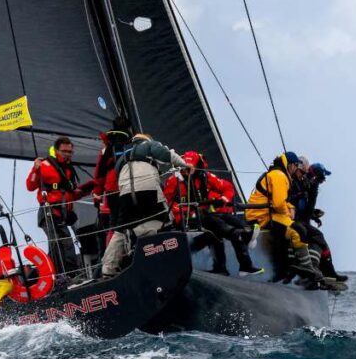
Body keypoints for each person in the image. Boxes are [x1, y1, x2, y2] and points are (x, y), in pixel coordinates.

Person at [245, 152, 341, 290]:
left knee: (304, 232)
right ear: (290, 165)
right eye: (296, 166)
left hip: (268, 213)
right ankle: (306, 269)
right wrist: (289, 212)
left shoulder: (281, 175)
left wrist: (292, 208)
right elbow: (279, 204)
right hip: (262, 216)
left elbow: (282, 202)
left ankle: (308, 269)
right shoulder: (279, 175)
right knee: (298, 231)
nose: (296, 169)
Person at [100, 133, 187, 278]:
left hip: (125, 195)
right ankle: (169, 258)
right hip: (149, 190)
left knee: (121, 229)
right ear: (146, 140)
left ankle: (108, 269)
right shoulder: (149, 145)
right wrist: (185, 164)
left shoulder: (121, 157)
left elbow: (117, 177)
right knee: (166, 220)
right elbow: (167, 155)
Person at [163, 151, 261, 275]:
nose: (187, 170)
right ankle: (241, 236)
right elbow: (167, 202)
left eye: (190, 167)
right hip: (185, 217)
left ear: (197, 166)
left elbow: (227, 187)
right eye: (185, 167)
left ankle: (240, 258)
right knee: (218, 226)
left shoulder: (205, 177)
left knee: (224, 220)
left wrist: (224, 199)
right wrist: (186, 211)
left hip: (206, 215)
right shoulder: (174, 180)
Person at [26, 136, 95, 277]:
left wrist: (87, 190)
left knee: (59, 246)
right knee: (64, 244)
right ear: (56, 151)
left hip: (62, 214)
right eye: (64, 151)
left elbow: (68, 194)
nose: (67, 154)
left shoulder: (67, 170)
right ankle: (69, 276)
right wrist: (35, 169)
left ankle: (39, 276)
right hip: (49, 213)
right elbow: (30, 186)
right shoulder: (45, 165)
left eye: (70, 152)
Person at [88, 115, 134, 278]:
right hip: (129, 186)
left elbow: (99, 173)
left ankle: (109, 263)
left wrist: (97, 194)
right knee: (133, 222)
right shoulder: (132, 144)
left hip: (112, 190)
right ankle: (125, 257)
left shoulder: (107, 148)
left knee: (115, 226)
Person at [290, 161, 347, 283]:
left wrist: (314, 215)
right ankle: (316, 270)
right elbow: (293, 203)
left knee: (320, 241)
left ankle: (328, 272)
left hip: (303, 220)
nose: (323, 180)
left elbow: (306, 207)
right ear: (315, 176)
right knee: (318, 237)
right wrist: (311, 190)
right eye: (321, 177)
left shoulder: (308, 185)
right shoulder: (300, 184)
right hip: (296, 221)